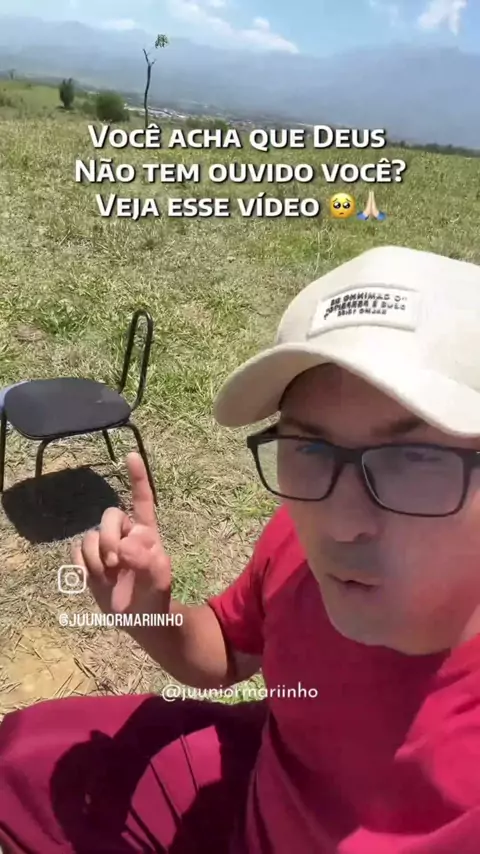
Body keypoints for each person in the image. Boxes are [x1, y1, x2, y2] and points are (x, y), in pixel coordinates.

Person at [2, 244, 480, 853]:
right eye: (310, 448)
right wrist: (151, 615)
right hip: (260, 788)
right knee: (24, 760)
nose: (340, 522)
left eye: (413, 458)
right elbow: (227, 651)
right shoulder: (297, 543)